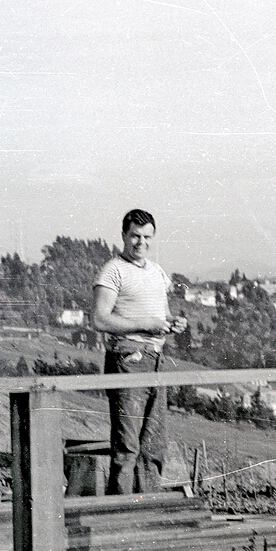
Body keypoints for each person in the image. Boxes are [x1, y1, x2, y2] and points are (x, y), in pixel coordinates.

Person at [91, 209, 187, 494]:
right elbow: (99, 319)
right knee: (127, 446)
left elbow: (163, 314)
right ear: (124, 235)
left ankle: (146, 509)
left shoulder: (157, 272)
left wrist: (173, 324)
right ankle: (120, 514)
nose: (140, 242)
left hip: (156, 360)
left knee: (154, 444)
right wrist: (146, 325)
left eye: (147, 237)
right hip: (128, 359)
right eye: (135, 235)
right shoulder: (113, 270)